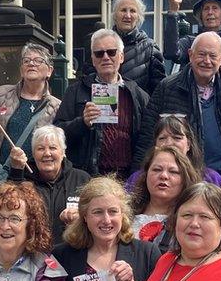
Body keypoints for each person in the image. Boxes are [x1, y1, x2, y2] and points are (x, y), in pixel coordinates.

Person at [136, 32, 221, 176]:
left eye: (213, 56)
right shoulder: (167, 87)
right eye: (202, 54)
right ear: (190, 54)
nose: (207, 61)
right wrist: (139, 175)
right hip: (183, 176)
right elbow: (148, 135)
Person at [55, 28, 150, 178]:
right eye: (99, 53)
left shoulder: (138, 95)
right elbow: (57, 134)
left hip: (126, 178)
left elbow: (147, 138)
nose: (105, 57)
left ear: (121, 57)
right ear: (93, 60)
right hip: (87, 176)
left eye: (111, 52)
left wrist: (136, 173)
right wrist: (82, 122)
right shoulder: (75, 91)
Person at [0, 43, 61, 165]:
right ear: (21, 70)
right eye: (26, 60)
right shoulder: (1, 94)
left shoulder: (56, 107)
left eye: (38, 60)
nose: (31, 63)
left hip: (33, 177)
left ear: (49, 71)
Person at [8, 124, 91, 243]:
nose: (47, 153)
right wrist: (16, 171)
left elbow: (95, 216)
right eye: (40, 148)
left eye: (52, 148)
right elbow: (9, 209)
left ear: (63, 152)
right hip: (32, 252)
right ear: (33, 153)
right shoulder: (22, 179)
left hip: (71, 251)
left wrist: (81, 217)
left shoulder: (82, 179)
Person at [125, 115, 221, 192]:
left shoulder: (211, 179)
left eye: (177, 138)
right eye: (162, 138)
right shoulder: (137, 179)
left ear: (188, 144)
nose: (169, 143)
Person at [130, 146, 199, 252]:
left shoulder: (192, 221)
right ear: (146, 175)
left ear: (185, 179)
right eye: (157, 169)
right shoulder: (125, 213)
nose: (164, 176)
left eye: (173, 172)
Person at [110, 0, 166, 94]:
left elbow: (159, 91)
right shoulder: (102, 46)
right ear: (115, 15)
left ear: (139, 16)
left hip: (139, 110)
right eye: (123, 10)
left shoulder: (150, 49)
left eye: (132, 11)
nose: (128, 15)